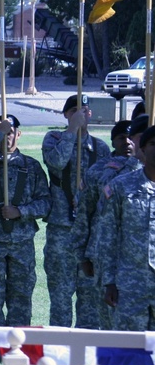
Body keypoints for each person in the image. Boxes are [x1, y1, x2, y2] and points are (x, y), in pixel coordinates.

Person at [0, 114, 50, 328]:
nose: (7, 137)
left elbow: (45, 203)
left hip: (21, 238)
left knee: (21, 292)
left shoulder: (31, 167)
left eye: (11, 132)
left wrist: (21, 211)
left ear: (19, 134)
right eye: (4, 133)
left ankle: (17, 343)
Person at [42, 94, 110, 328]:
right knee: (60, 297)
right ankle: (59, 354)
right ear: (66, 114)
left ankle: (86, 357)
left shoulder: (100, 149)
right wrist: (72, 130)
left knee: (89, 300)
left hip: (90, 233)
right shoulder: (53, 138)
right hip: (62, 229)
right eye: (76, 111)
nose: (82, 115)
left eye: (86, 110)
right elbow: (57, 162)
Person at [74, 119, 137, 330]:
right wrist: (82, 254)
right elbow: (84, 213)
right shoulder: (99, 172)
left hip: (140, 259)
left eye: (133, 137)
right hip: (104, 254)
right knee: (104, 317)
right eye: (122, 138)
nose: (128, 142)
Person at [98, 125, 155, 331]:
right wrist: (109, 282)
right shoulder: (121, 186)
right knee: (128, 351)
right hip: (130, 285)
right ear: (142, 149)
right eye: (152, 144)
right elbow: (108, 236)